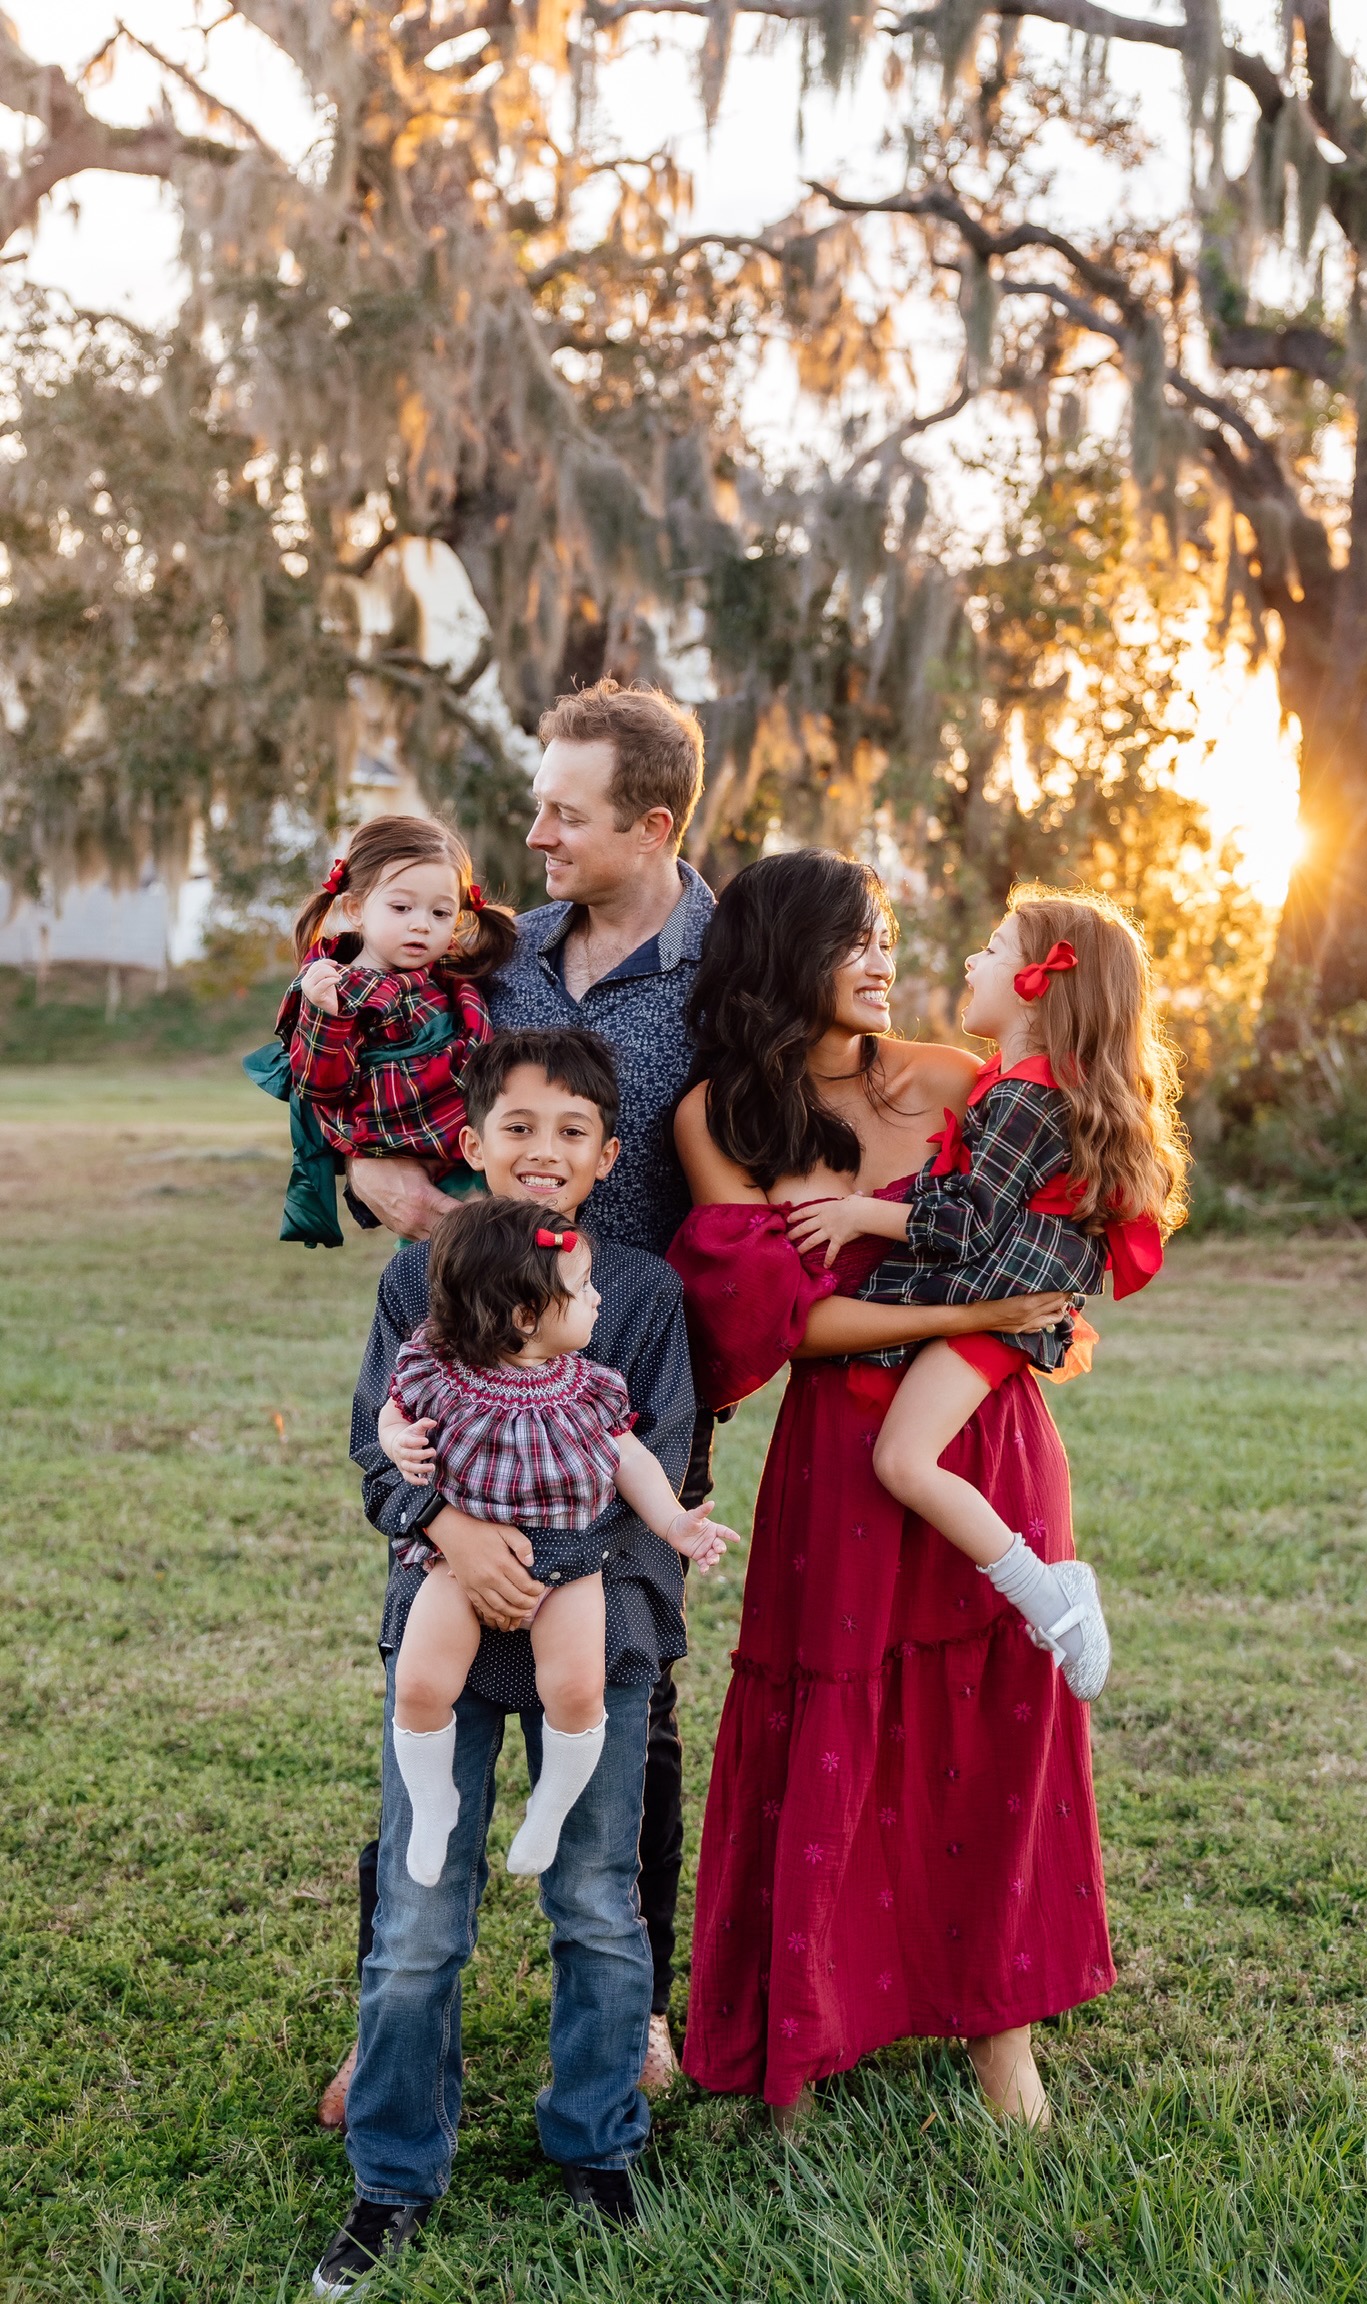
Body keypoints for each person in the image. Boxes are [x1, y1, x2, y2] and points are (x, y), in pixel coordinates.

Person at [668, 850, 1115, 2129]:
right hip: (847, 1460)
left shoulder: (958, 1078)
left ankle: (1001, 2043)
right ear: (780, 957)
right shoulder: (720, 1119)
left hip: (983, 1435)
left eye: (890, 936)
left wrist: (1003, 1309)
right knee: (831, 1728)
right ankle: (805, 2043)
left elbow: (1058, 1238)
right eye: (853, 938)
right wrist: (990, 1304)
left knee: (992, 1730)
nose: (883, 959)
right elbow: (787, 1323)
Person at [335, 680, 715, 2105]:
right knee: (428, 1682)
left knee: (629, 1697)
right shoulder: (499, 950)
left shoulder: (728, 967)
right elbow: (365, 1024)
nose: (536, 832)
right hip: (469, 1333)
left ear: (652, 824)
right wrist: (357, 1165)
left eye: (566, 810)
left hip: (635, 1345)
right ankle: (388, 2011)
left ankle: (637, 2007)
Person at [311, 1029, 697, 2296]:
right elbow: (385, 1453)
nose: (544, 1152)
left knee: (595, 1898)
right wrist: (455, 1537)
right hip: (443, 1616)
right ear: (472, 1143)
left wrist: (534, 1561)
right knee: (423, 1917)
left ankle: (595, 2142)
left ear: (606, 1157)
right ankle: (394, 2173)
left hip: (602, 1625)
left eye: (572, 1131)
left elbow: (660, 1466)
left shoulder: (639, 1293)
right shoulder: (418, 1281)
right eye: (518, 1127)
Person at [784, 891, 1188, 1702]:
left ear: (1042, 984)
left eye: (995, 950)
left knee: (902, 1458)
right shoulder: (1029, 1086)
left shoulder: (1020, 1099)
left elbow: (966, 1223)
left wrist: (863, 1212)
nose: (974, 961)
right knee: (903, 1453)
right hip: (1008, 1295)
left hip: (1002, 1302)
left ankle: (1054, 1596)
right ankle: (1050, 1596)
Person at [378, 1196, 736, 1885]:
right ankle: (432, 1802)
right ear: (523, 1316)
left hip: (571, 1562)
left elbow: (630, 1457)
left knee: (576, 1689)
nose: (599, 1299)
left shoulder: (591, 1388)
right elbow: (392, 1409)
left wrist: (674, 1523)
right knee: (420, 1684)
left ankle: (552, 1804)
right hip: (459, 1561)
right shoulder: (438, 1368)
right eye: (582, 1289)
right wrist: (399, 1441)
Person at [245, 815, 516, 1249]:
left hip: (469, 1144)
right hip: (410, 1150)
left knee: (502, 1249)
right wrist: (325, 1015)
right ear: (356, 909)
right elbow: (320, 1085)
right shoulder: (337, 988)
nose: (421, 924)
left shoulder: (441, 977)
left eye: (440, 912)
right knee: (448, 1262)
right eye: (401, 907)